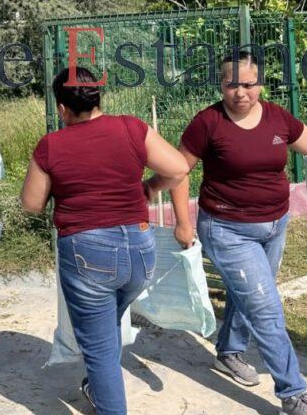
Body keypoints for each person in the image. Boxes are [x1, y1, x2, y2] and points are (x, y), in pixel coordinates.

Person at [161, 51, 307, 415]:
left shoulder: (277, 117)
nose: (240, 92)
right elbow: (178, 171)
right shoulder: (207, 123)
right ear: (221, 84)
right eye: (232, 83)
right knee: (267, 308)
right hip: (227, 230)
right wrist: (183, 222)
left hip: (275, 224)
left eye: (248, 83)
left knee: (250, 297)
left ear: (260, 84)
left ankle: (228, 352)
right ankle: (293, 394)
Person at [21, 66, 190, 415]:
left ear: (62, 108)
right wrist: (149, 188)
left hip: (88, 253)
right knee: (107, 323)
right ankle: (97, 388)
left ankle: (108, 400)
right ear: (99, 97)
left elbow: (32, 204)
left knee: (97, 349)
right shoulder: (131, 127)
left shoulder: (51, 145)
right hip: (140, 251)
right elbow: (177, 168)